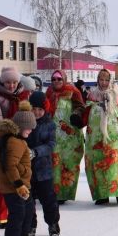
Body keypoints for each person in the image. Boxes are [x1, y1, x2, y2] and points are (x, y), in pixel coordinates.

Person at [86, 69, 118, 205]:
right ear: (97, 80)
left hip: (116, 136)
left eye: (107, 80)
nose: (104, 82)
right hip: (96, 136)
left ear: (111, 80)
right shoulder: (93, 95)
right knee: (99, 162)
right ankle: (102, 195)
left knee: (116, 161)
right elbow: (86, 112)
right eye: (101, 79)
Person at [0, 102, 36, 236]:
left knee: (28, 211)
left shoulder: (18, 140)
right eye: (28, 128)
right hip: (14, 187)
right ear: (19, 127)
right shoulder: (15, 142)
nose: (30, 131)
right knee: (18, 214)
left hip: (22, 185)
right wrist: (19, 184)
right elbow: (10, 165)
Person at [0, 67, 25, 224]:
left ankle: (14, 212)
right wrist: (15, 130)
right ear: (2, 82)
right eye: (8, 82)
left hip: (19, 144)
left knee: (16, 176)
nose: (11, 86)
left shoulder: (23, 96)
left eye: (14, 82)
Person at [46, 70, 86, 204]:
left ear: (64, 79)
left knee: (68, 163)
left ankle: (65, 193)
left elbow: (81, 106)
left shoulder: (73, 91)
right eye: (53, 79)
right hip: (54, 134)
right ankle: (55, 192)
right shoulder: (49, 93)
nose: (56, 81)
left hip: (70, 136)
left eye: (59, 79)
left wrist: (76, 114)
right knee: (55, 163)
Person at [26, 91, 60, 236]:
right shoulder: (25, 123)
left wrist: (36, 152)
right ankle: (30, 226)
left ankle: (53, 223)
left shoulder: (49, 124)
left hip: (44, 169)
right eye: (34, 109)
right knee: (28, 201)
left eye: (40, 109)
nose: (37, 112)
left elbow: (51, 144)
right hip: (27, 170)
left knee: (48, 199)